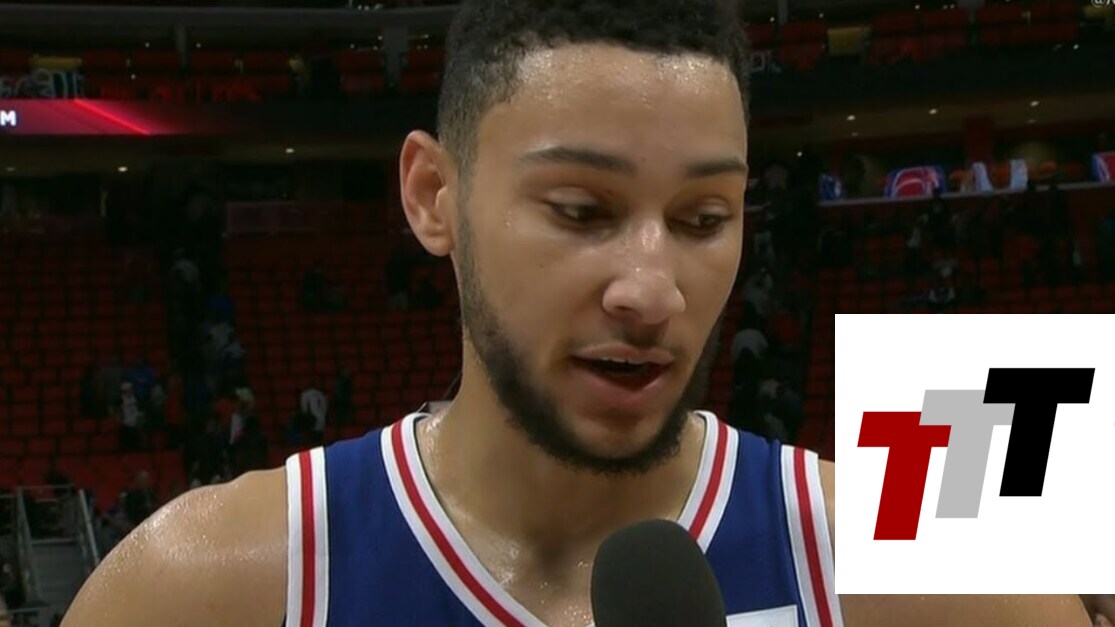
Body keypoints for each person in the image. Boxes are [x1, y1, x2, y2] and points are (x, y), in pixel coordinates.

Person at [62, 2, 1091, 626]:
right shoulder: (205, 580)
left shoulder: (929, 554)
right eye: (580, 210)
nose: (651, 288)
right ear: (432, 195)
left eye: (702, 217)